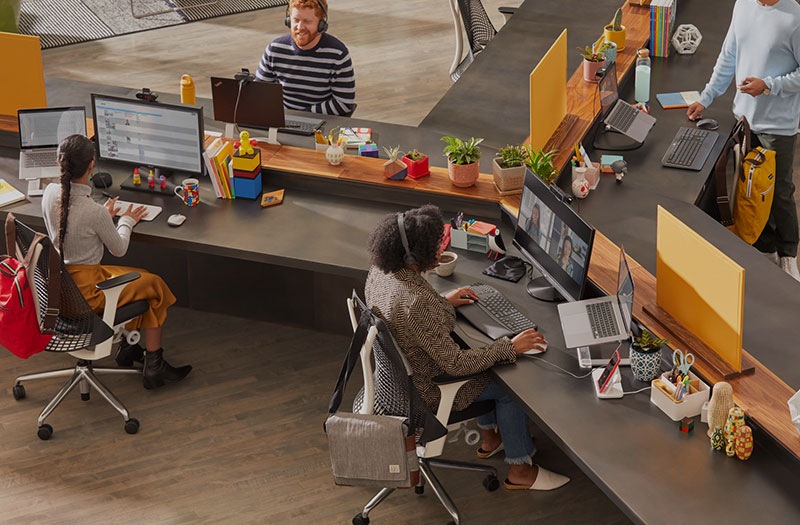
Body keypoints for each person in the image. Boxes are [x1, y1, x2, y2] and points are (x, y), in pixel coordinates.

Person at [365, 205, 570, 491]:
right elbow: (457, 364)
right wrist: (509, 347)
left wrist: (442, 302)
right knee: (512, 389)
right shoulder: (417, 303)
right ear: (413, 256)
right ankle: (521, 470)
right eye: (435, 246)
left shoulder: (381, 271)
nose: (441, 248)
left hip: (396, 381)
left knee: (481, 353)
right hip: (429, 390)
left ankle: (491, 439)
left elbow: (409, 317)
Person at [41, 135, 192, 389]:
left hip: (61, 286)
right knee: (154, 285)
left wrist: (103, 216)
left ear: (60, 163)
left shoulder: (50, 193)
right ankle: (154, 365)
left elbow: (74, 221)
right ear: (91, 166)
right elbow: (119, 249)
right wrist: (126, 221)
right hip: (88, 295)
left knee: (140, 277)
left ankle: (129, 349)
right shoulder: (94, 212)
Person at [687, 0, 800, 280]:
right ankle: (765, 248)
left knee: (779, 192)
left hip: (778, 126)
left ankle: (788, 254)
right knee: (752, 188)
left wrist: (769, 86)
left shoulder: (794, 17)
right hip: (745, 120)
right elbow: (729, 55)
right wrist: (706, 97)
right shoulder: (743, 5)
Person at [255, 0, 355, 116]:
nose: (300, 27)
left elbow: (344, 103)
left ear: (321, 24)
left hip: (321, 120)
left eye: (307, 21)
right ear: (288, 20)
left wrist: (302, 116)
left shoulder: (338, 54)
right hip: (284, 118)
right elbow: (259, 93)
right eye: (296, 20)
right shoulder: (274, 49)